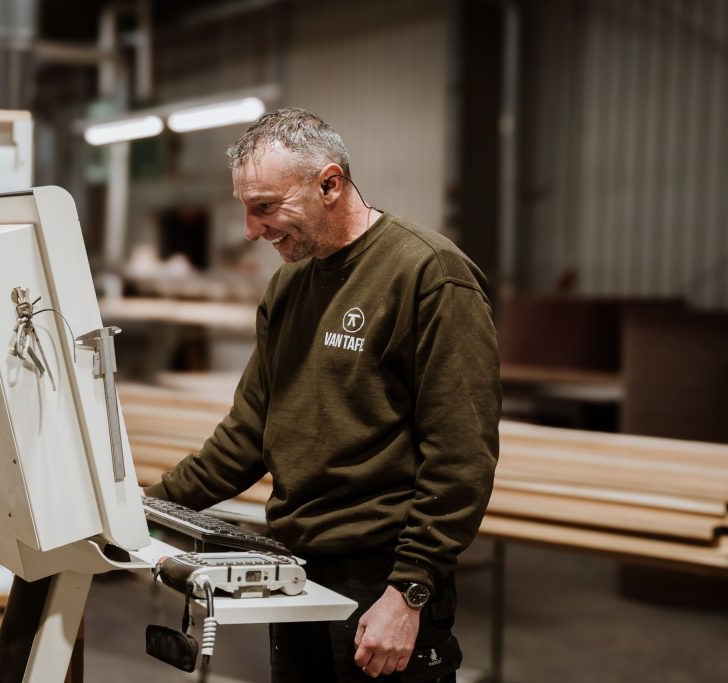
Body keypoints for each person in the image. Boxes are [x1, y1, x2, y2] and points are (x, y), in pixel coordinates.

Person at [144, 107, 500, 682]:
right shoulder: (288, 287)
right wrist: (145, 513)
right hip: (295, 566)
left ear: (329, 184)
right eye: (245, 209)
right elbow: (245, 436)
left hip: (381, 576)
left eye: (265, 208)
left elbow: (461, 455)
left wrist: (409, 592)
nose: (250, 231)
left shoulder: (427, 275)